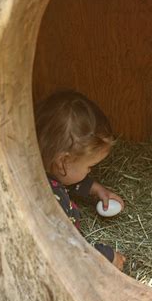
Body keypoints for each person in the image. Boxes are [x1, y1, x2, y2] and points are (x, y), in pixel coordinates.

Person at [35, 90, 126, 270]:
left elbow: (65, 179)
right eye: (88, 166)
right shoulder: (49, 203)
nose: (90, 170)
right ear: (63, 162)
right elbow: (68, 253)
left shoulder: (44, 169)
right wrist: (106, 258)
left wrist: (96, 189)